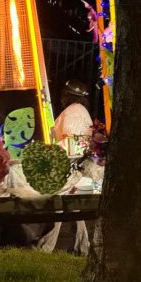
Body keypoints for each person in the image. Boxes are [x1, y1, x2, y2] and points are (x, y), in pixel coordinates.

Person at [37, 80, 93, 255]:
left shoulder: (73, 113)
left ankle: (45, 246)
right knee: (73, 206)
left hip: (67, 167)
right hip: (77, 167)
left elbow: (72, 143)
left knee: (58, 205)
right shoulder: (81, 112)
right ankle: (82, 245)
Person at [51, 80, 93, 156]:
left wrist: (49, 150)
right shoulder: (78, 110)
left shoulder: (74, 111)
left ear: (65, 95)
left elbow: (72, 145)